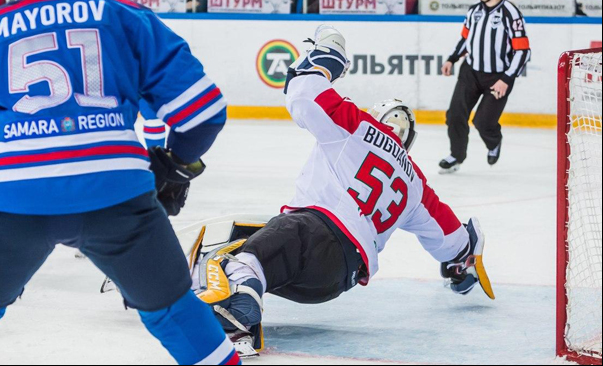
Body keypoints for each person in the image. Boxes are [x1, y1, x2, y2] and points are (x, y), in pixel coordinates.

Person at [0, 0, 239, 365]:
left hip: (14, 196)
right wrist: (175, 166)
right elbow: (203, 113)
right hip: (116, 192)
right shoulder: (126, 15)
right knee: (175, 311)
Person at [189, 26, 495, 356]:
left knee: (243, 259)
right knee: (256, 262)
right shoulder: (415, 183)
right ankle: (235, 306)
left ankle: (235, 304)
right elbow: (451, 239)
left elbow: (305, 92)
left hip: (311, 233)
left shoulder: (359, 127)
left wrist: (328, 47)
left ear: (379, 119)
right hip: (334, 281)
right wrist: (461, 267)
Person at [439, 0, 531, 173]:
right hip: (470, 72)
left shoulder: (511, 13)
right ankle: (456, 155)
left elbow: (523, 51)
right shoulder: (474, 12)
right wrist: (452, 59)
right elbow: (465, 39)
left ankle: (494, 141)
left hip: (498, 76)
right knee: (454, 114)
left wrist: (506, 79)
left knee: (482, 122)